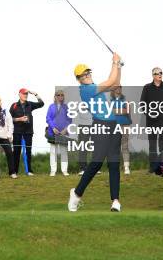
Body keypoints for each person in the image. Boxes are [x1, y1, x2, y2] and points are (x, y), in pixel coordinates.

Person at [68, 53, 122, 212]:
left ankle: (115, 201)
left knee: (114, 163)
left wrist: (118, 67)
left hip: (113, 125)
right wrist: (114, 62)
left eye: (88, 73)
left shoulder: (94, 87)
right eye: (83, 75)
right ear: (79, 79)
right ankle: (76, 194)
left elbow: (116, 84)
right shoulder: (86, 90)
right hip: (100, 126)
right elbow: (111, 81)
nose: (87, 76)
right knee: (97, 162)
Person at [140, 67, 163, 172]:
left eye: (161, 73)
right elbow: (142, 103)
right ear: (153, 75)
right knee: (152, 144)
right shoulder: (147, 87)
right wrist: (150, 113)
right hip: (151, 121)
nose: (159, 74)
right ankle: (153, 167)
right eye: (157, 73)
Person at [10, 88, 44, 176]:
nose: (25, 95)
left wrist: (36, 94)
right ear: (19, 94)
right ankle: (15, 172)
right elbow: (9, 119)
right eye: (24, 94)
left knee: (28, 151)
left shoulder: (30, 104)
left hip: (28, 131)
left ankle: (29, 171)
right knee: (16, 151)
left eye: (26, 94)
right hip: (17, 131)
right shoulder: (14, 105)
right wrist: (19, 119)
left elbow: (41, 104)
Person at [45, 89, 71, 176]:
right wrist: (53, 128)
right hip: (53, 132)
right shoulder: (51, 107)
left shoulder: (66, 107)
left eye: (62, 95)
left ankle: (64, 170)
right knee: (53, 151)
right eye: (58, 95)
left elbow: (69, 119)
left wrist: (65, 129)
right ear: (55, 97)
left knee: (64, 151)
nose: (60, 97)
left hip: (64, 132)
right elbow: (48, 118)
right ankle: (53, 170)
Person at [110, 85, 132, 175]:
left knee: (125, 146)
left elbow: (127, 111)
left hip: (125, 124)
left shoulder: (125, 100)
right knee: (115, 147)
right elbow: (111, 112)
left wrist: (116, 111)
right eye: (117, 87)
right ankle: (115, 168)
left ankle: (126, 167)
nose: (119, 89)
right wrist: (121, 110)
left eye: (120, 87)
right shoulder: (111, 101)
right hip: (114, 125)